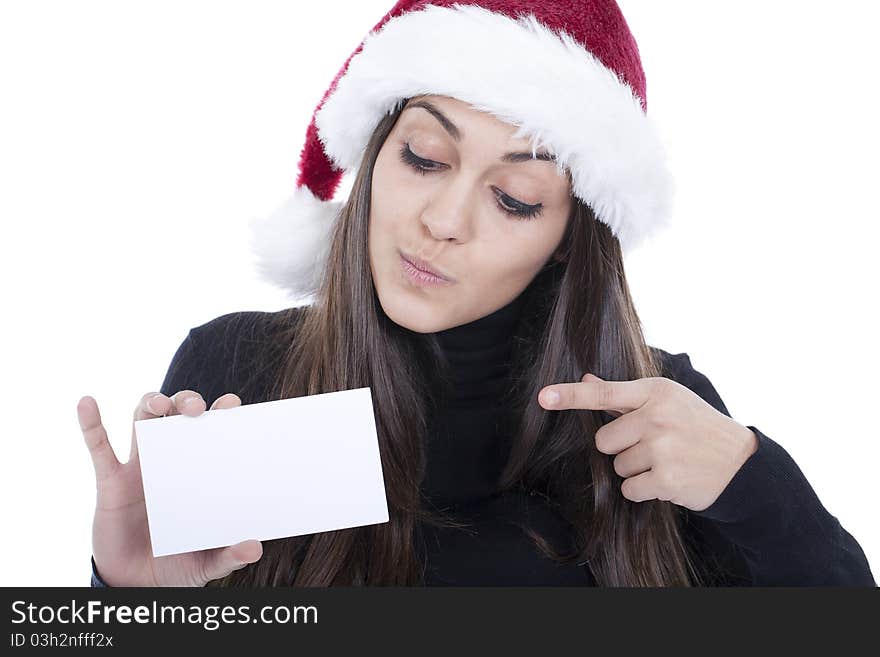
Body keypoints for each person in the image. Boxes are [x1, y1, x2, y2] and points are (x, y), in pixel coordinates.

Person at [78, 0, 876, 587]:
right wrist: (127, 600)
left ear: (568, 235)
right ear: (375, 150)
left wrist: (754, 481)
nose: (443, 220)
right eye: (424, 156)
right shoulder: (234, 374)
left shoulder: (650, 425)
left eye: (515, 198)